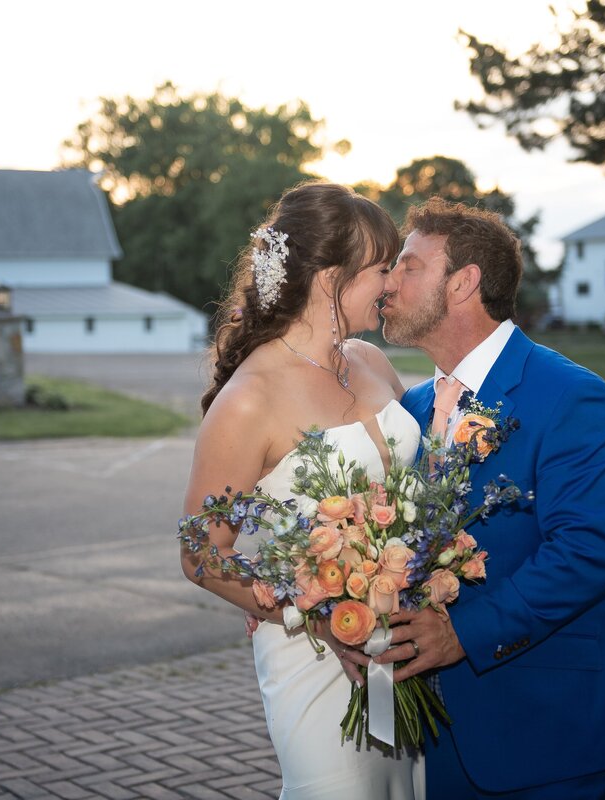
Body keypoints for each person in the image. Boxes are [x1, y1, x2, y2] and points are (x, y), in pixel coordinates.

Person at [373, 198, 605, 799]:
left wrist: (462, 634)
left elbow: (585, 553)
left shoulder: (573, 397)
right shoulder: (413, 409)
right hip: (430, 735)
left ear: (463, 283)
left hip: (540, 725)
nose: (386, 281)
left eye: (407, 266)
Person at [181, 182, 425, 799]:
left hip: (400, 641)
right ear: (328, 278)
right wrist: (312, 613)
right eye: (380, 269)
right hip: (315, 655)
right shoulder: (250, 399)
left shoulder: (371, 362)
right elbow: (200, 552)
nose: (391, 284)